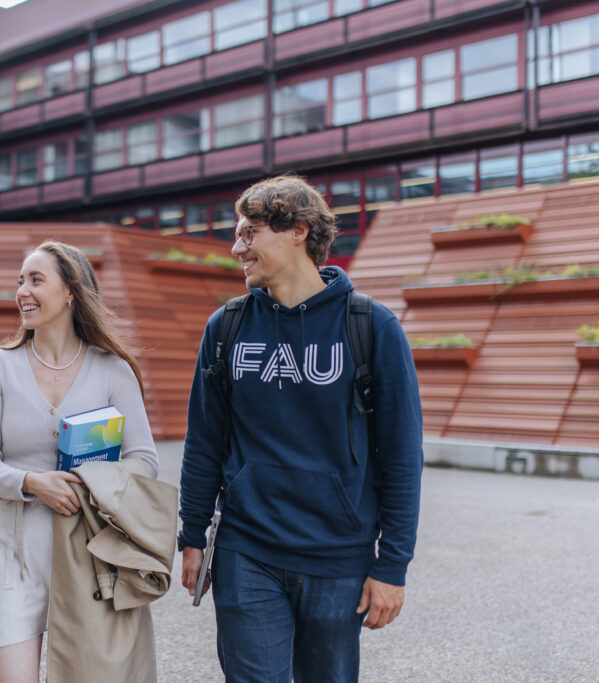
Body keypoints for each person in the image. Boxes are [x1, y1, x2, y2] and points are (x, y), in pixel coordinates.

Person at [178, 175, 424, 682]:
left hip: (338, 558)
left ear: (297, 231)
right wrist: (192, 532)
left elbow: (401, 455)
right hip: (248, 550)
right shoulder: (225, 328)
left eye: (250, 234)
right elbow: (204, 440)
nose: (237, 247)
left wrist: (392, 567)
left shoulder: (373, 328)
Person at [0, 240, 158, 683]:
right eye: (20, 281)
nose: (23, 291)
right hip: (12, 549)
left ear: (71, 292)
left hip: (89, 549)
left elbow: (144, 460)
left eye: (36, 280)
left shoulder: (112, 369)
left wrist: (89, 482)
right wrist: (32, 482)